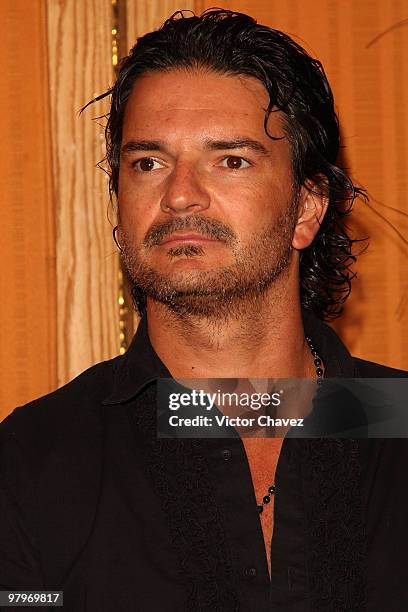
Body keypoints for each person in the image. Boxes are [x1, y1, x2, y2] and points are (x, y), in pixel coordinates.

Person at [1, 9, 407, 612]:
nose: (180, 193)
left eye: (231, 160)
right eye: (148, 163)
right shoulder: (34, 462)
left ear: (306, 208)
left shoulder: (396, 427)